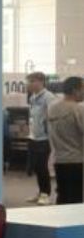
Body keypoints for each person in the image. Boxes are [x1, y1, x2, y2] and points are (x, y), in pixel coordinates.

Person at [47, 76, 84, 205]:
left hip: (59, 159)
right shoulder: (77, 109)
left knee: (62, 195)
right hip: (76, 160)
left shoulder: (52, 107)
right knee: (75, 199)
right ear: (75, 90)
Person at [26, 72, 57, 204]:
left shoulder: (49, 97)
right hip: (33, 136)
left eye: (32, 81)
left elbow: (52, 117)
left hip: (44, 138)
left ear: (41, 82)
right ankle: (40, 192)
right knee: (37, 167)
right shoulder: (33, 97)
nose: (29, 84)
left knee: (42, 166)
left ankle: (46, 194)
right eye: (29, 81)